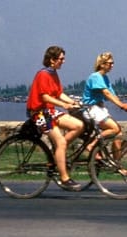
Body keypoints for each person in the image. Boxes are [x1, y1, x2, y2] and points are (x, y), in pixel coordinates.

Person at [26, 45, 85, 191]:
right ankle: (64, 178)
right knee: (61, 142)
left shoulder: (53, 73)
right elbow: (45, 96)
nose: (63, 62)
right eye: (61, 59)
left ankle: (58, 153)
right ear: (52, 60)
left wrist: (72, 102)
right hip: (38, 113)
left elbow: (59, 93)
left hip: (49, 111)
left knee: (78, 125)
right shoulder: (43, 74)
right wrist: (64, 105)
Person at [81, 51, 127, 159]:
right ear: (102, 64)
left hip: (99, 109)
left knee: (118, 134)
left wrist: (124, 105)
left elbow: (112, 94)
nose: (112, 65)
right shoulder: (95, 77)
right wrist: (121, 105)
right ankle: (91, 144)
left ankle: (116, 164)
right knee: (114, 128)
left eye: (112, 63)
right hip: (91, 109)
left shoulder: (105, 78)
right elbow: (106, 93)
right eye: (110, 63)